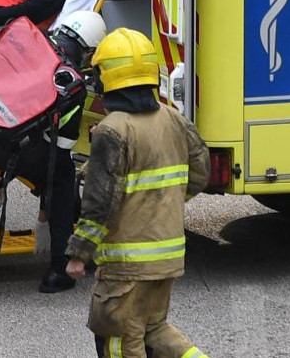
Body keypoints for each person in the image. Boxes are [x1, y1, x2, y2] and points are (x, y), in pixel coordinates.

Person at [0, 10, 105, 305]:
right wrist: (44, 215)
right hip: (11, 146)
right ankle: (58, 269)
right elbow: (60, 148)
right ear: (89, 51)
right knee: (63, 178)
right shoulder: (70, 81)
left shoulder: (18, 33)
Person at [64, 28, 210, 358]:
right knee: (154, 328)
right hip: (168, 254)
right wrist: (165, 202)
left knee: (119, 337)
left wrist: (78, 254)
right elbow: (200, 172)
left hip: (126, 263)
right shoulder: (173, 118)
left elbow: (100, 204)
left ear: (105, 79)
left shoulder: (112, 130)